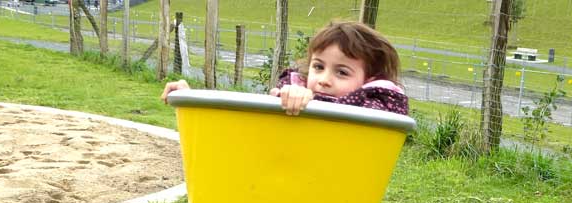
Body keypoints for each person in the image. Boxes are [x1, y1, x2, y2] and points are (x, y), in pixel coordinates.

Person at [160, 21, 408, 116]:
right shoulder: (289, 92)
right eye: (318, 66)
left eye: (342, 72)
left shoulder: (380, 104)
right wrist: (191, 98)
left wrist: (311, 101)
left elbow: (377, 114)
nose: (324, 79)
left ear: (369, 80)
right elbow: (243, 119)